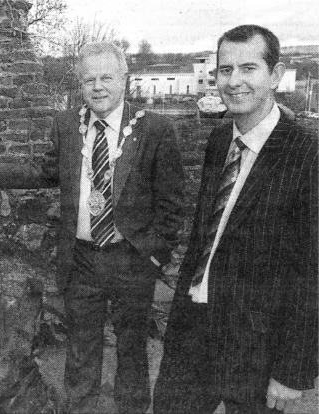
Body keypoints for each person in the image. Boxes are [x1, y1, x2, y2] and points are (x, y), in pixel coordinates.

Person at [0, 42, 185, 413]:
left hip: (131, 260)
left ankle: (132, 409)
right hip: (81, 259)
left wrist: (155, 257)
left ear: (124, 80)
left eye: (106, 77)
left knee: (131, 347)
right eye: (89, 79)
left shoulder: (155, 129)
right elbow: (46, 171)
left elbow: (172, 204)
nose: (97, 87)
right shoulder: (67, 125)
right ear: (80, 84)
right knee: (81, 347)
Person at [153, 25, 318, 414]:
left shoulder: (307, 156)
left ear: (275, 76)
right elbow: (206, 235)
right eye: (225, 70)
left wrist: (293, 369)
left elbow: (312, 271)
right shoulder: (219, 139)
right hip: (193, 330)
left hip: (256, 346)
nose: (234, 81)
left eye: (248, 68)